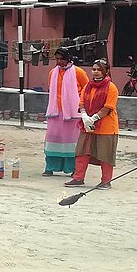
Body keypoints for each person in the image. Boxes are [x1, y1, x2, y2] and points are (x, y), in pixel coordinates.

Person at [66, 59, 119, 189]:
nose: (95, 72)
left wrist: (94, 118)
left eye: (99, 69)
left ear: (106, 71)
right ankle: (78, 178)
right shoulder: (87, 86)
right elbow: (82, 102)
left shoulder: (111, 88)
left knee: (105, 155)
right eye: (94, 69)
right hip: (87, 125)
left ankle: (106, 181)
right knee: (82, 152)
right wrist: (84, 116)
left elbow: (108, 108)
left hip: (106, 127)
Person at [44, 48, 89, 176]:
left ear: (68, 58)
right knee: (53, 139)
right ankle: (51, 167)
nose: (59, 61)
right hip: (55, 112)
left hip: (72, 113)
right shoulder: (52, 73)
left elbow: (86, 90)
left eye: (61, 59)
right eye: (57, 59)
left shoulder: (78, 72)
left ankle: (71, 168)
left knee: (71, 141)